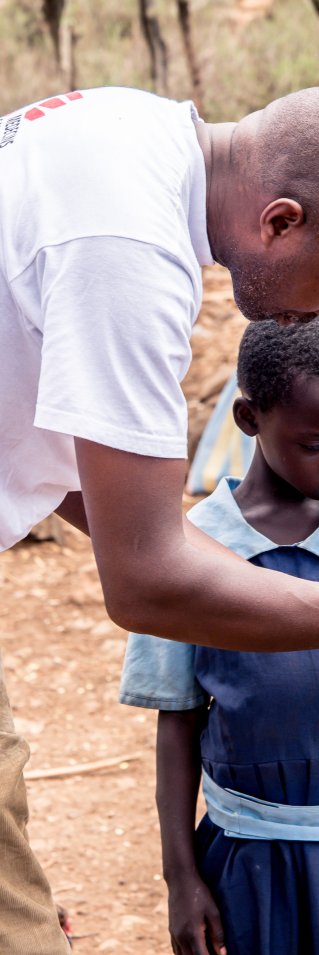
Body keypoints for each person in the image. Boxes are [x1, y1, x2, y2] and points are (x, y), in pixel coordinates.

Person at [1, 83, 319, 950]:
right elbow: (143, 582)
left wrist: (181, 548)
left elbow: (88, 487)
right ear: (281, 223)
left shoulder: (127, 134)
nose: (312, 314)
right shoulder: (130, 249)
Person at [120, 316, 319, 955]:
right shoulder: (185, 559)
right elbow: (176, 725)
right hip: (248, 863)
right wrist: (181, 879)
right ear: (249, 418)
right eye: (314, 444)